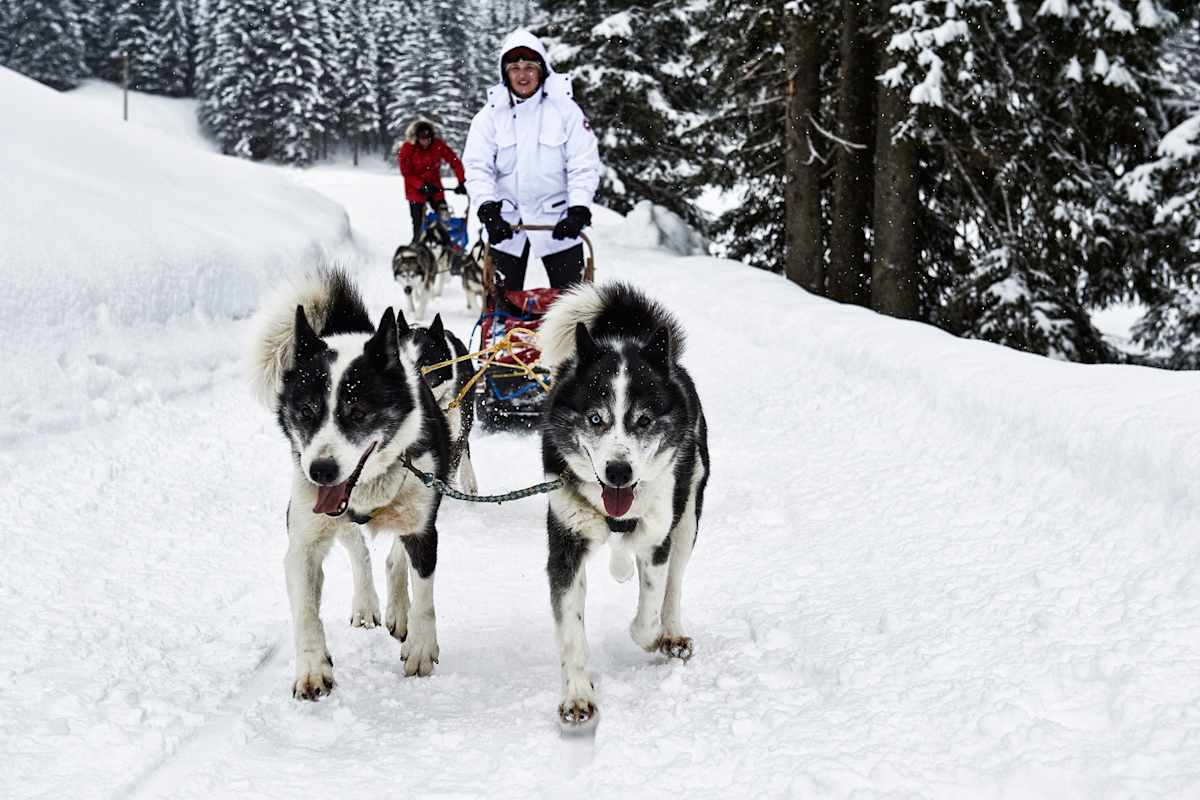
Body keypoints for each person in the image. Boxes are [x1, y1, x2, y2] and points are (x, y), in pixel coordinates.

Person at [462, 29, 600, 291]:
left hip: (558, 223)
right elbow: (477, 167)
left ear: (542, 70)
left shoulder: (565, 111)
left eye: (529, 67)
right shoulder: (489, 117)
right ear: (505, 73)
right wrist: (488, 210)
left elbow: (583, 164)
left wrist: (578, 209)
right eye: (514, 67)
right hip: (506, 225)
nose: (522, 74)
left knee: (572, 307)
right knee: (502, 308)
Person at [398, 119, 466, 242]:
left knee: (444, 219)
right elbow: (406, 173)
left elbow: (454, 161)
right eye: (423, 139)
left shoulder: (437, 145)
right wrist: (421, 185)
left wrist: (461, 181)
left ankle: (445, 244)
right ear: (416, 138)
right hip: (415, 191)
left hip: (435, 188)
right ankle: (418, 245)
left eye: (428, 138)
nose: (426, 142)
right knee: (418, 224)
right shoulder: (408, 148)